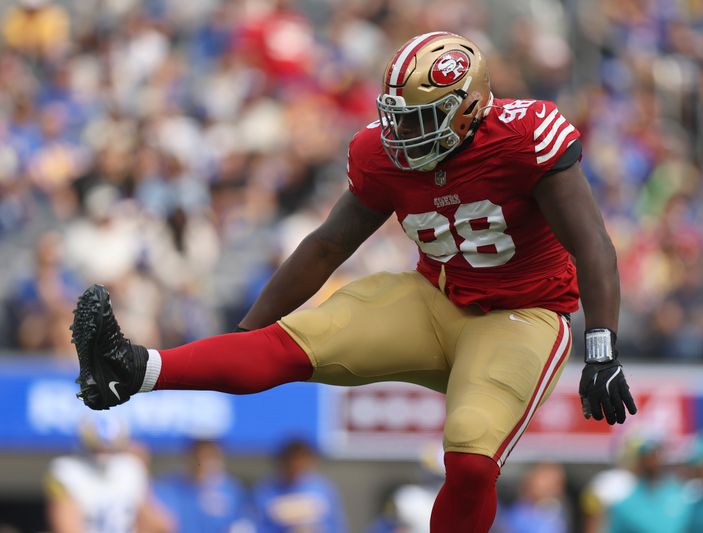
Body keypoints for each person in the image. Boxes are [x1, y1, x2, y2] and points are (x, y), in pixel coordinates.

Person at [70, 31, 637, 532]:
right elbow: (327, 245)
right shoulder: (380, 152)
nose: (400, 133)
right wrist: (248, 335)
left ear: (468, 110)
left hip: (523, 315)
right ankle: (133, 369)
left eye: (419, 118)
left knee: (468, 456)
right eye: (396, 116)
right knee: (287, 345)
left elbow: (593, 245)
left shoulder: (524, 136)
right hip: (434, 296)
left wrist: (602, 347)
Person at [44, 415, 172, 533]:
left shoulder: (131, 468)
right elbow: (67, 527)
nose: (103, 456)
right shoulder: (66, 472)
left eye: (109, 449)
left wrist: (144, 474)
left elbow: (160, 526)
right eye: (97, 449)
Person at [152, 439, 251, 533]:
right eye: (199, 456)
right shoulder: (169, 488)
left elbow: (241, 524)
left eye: (209, 456)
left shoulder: (232, 491)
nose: (203, 462)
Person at [251, 438, 346, 532]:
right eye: (291, 461)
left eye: (300, 461)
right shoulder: (266, 490)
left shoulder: (323, 489)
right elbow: (257, 525)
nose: (295, 466)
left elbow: (336, 526)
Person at [606, 436, 689, 533]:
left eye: (656, 454)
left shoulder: (684, 496)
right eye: (648, 456)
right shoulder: (625, 505)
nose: (653, 460)